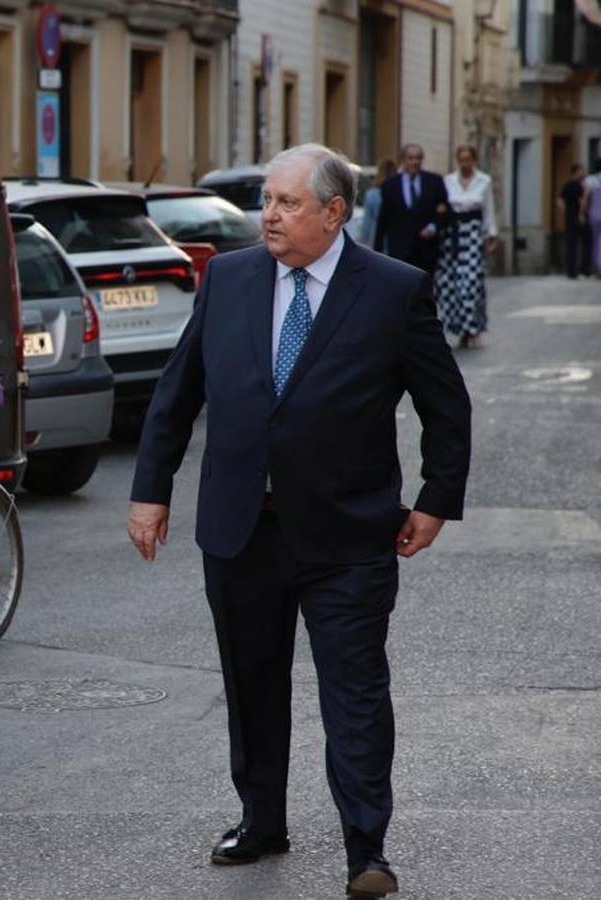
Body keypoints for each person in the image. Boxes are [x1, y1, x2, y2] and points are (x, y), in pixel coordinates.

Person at [127, 143, 471, 899]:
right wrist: (150, 490)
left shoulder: (391, 290)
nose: (268, 216)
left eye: (285, 203)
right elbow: (176, 393)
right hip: (241, 525)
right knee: (250, 683)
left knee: (351, 691)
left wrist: (436, 501)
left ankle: (364, 847)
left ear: (333, 212)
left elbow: (444, 405)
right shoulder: (228, 277)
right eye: (267, 201)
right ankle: (259, 819)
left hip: (348, 531)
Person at [437, 145, 499, 348]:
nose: (465, 163)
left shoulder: (484, 181)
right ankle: (459, 328)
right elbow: (442, 207)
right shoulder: (448, 181)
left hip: (473, 235)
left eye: (468, 159)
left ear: (474, 160)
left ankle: (473, 327)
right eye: (461, 159)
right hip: (452, 236)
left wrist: (491, 235)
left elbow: (488, 209)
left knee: (470, 283)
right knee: (450, 284)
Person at [373, 143, 449, 273]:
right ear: (403, 160)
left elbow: (445, 209)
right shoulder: (390, 185)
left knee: (424, 289)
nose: (415, 162)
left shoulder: (434, 181)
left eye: (418, 158)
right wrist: (377, 250)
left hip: (426, 249)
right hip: (399, 249)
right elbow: (383, 217)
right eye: (411, 158)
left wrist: (433, 226)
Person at [558, 164, 591, 279]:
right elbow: (583, 203)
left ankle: (571, 271)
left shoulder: (566, 186)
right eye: (581, 171)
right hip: (578, 218)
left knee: (571, 245)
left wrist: (565, 211)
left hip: (569, 218)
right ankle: (585, 269)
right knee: (587, 241)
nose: (582, 173)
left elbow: (560, 200)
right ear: (575, 172)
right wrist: (581, 215)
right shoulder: (580, 187)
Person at [357, 158, 397, 249]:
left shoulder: (372, 194)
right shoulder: (399, 193)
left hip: (375, 239)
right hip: (395, 241)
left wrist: (363, 242)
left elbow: (367, 224)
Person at [583, 158, 601, 276]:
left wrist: (582, 213)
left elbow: (585, 199)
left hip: (594, 214)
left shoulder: (590, 180)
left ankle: (596, 266)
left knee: (595, 240)